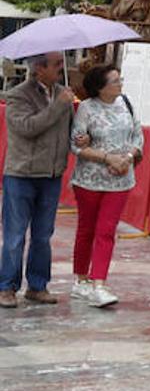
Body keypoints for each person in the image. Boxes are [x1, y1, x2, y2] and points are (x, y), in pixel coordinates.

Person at [0, 53, 76, 308]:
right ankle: (7, 287)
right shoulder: (18, 95)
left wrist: (80, 138)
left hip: (51, 175)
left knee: (43, 235)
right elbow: (27, 128)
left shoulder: (63, 94)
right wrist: (57, 107)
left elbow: (70, 130)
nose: (61, 69)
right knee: (15, 235)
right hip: (21, 174)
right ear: (39, 68)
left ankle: (37, 285)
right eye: (56, 65)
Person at [68, 64, 143, 309]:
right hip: (89, 180)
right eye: (115, 81)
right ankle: (81, 279)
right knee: (87, 229)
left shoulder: (126, 103)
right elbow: (76, 144)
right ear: (100, 87)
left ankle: (99, 283)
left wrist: (127, 158)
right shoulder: (86, 108)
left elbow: (138, 136)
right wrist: (107, 158)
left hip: (121, 180)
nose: (120, 84)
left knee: (106, 230)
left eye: (120, 79)